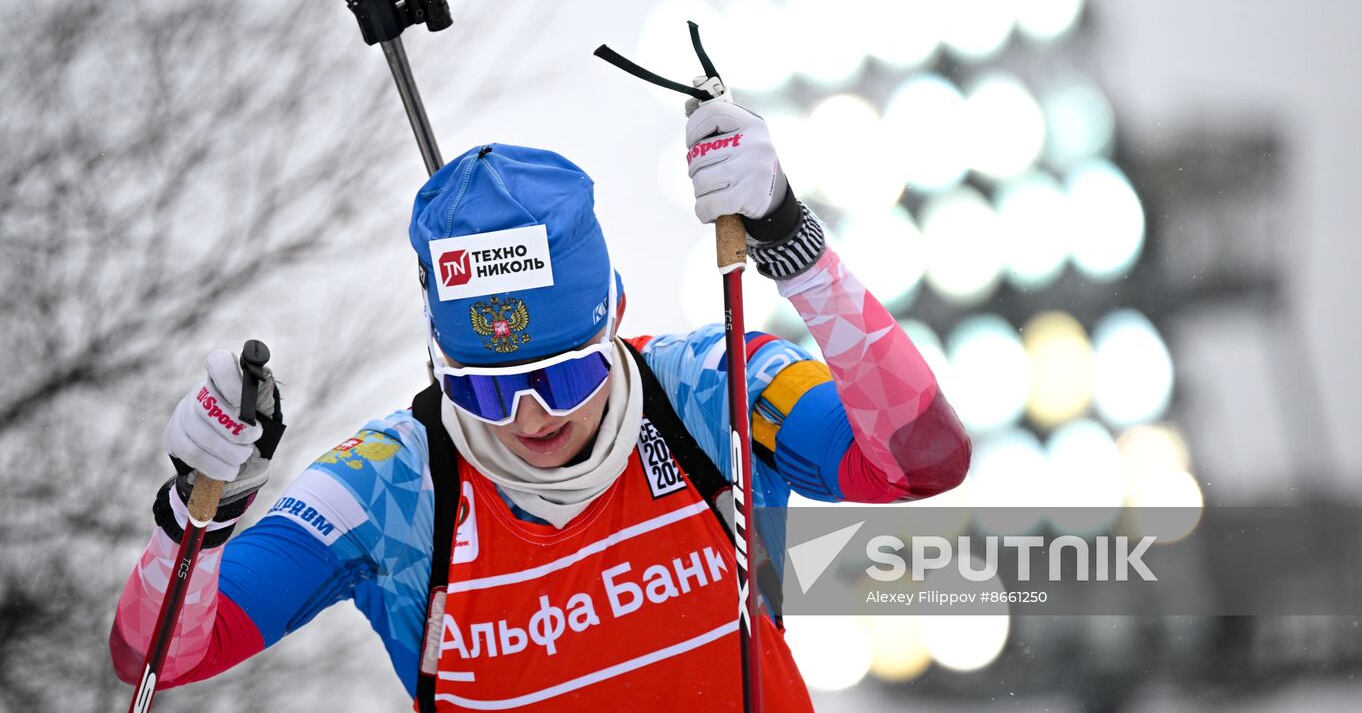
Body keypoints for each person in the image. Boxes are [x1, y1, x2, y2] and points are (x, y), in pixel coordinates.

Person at [111, 99, 972, 710]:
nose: (529, 415)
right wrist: (200, 510)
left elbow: (922, 462)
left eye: (564, 375)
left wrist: (790, 239)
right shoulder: (392, 486)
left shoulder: (712, 389)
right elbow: (157, 656)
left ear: (616, 322)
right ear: (439, 362)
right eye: (483, 388)